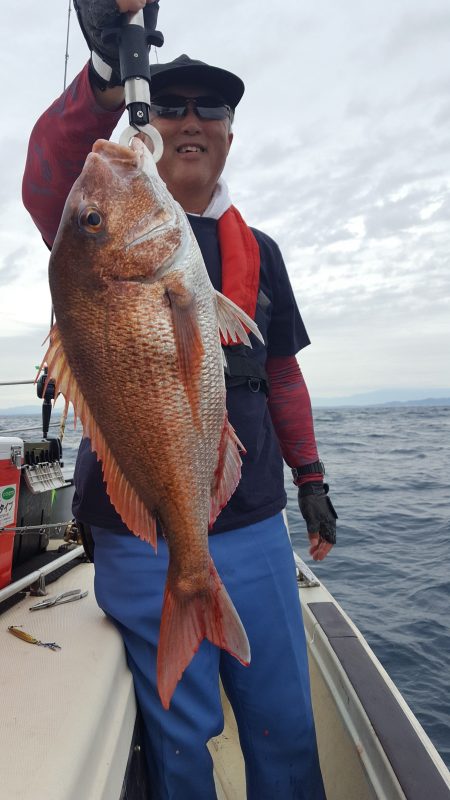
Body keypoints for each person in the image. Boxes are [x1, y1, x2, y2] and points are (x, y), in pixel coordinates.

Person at [22, 2, 337, 797]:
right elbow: (52, 174)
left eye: (213, 107)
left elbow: (284, 376)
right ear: (147, 123)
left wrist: (311, 478)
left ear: (231, 130)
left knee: (285, 728)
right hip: (142, 534)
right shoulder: (94, 231)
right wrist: (103, 74)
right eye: (170, 103)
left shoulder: (256, 251)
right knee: (180, 739)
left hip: (257, 520)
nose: (191, 120)